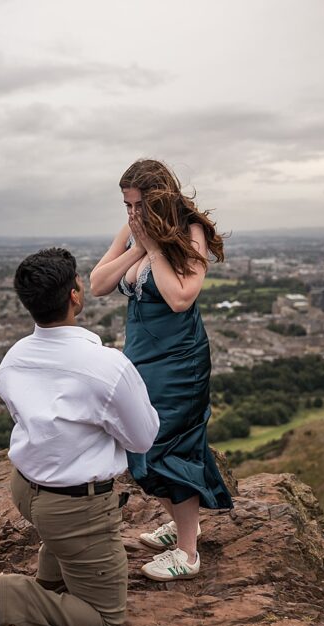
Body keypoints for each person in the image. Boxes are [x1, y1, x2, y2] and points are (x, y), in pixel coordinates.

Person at [0, 248, 160, 626]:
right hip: (76, 507)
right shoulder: (107, 366)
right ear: (75, 295)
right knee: (105, 621)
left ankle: (52, 584)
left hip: (26, 490)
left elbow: (33, 421)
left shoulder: (14, 358)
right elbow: (142, 439)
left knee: (59, 532)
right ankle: (8, 596)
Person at [90, 158, 233, 583]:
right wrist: (137, 243)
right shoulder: (135, 229)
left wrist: (153, 249)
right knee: (139, 440)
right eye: (126, 205)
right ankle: (185, 522)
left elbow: (180, 297)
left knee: (166, 444)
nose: (131, 214)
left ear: (160, 198)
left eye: (138, 205)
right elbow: (97, 283)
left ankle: (188, 553)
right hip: (141, 360)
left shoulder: (192, 233)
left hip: (180, 360)